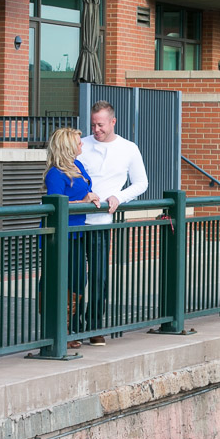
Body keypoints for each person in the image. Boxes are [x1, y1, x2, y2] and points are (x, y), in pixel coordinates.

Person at [78, 101, 148, 345]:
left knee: (99, 276)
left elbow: (141, 183)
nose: (96, 129)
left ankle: (95, 326)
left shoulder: (129, 148)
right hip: (75, 220)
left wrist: (118, 197)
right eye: (93, 124)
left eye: (101, 124)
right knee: (75, 276)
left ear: (113, 122)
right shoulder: (81, 145)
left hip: (101, 222)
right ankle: (74, 327)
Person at [43, 128, 100, 349]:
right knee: (60, 281)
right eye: (78, 142)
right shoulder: (55, 173)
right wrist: (85, 200)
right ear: (67, 147)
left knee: (78, 280)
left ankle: (67, 328)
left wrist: (91, 198)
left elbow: (86, 191)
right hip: (60, 234)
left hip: (77, 232)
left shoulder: (79, 166)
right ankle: (59, 331)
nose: (82, 145)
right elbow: (56, 205)